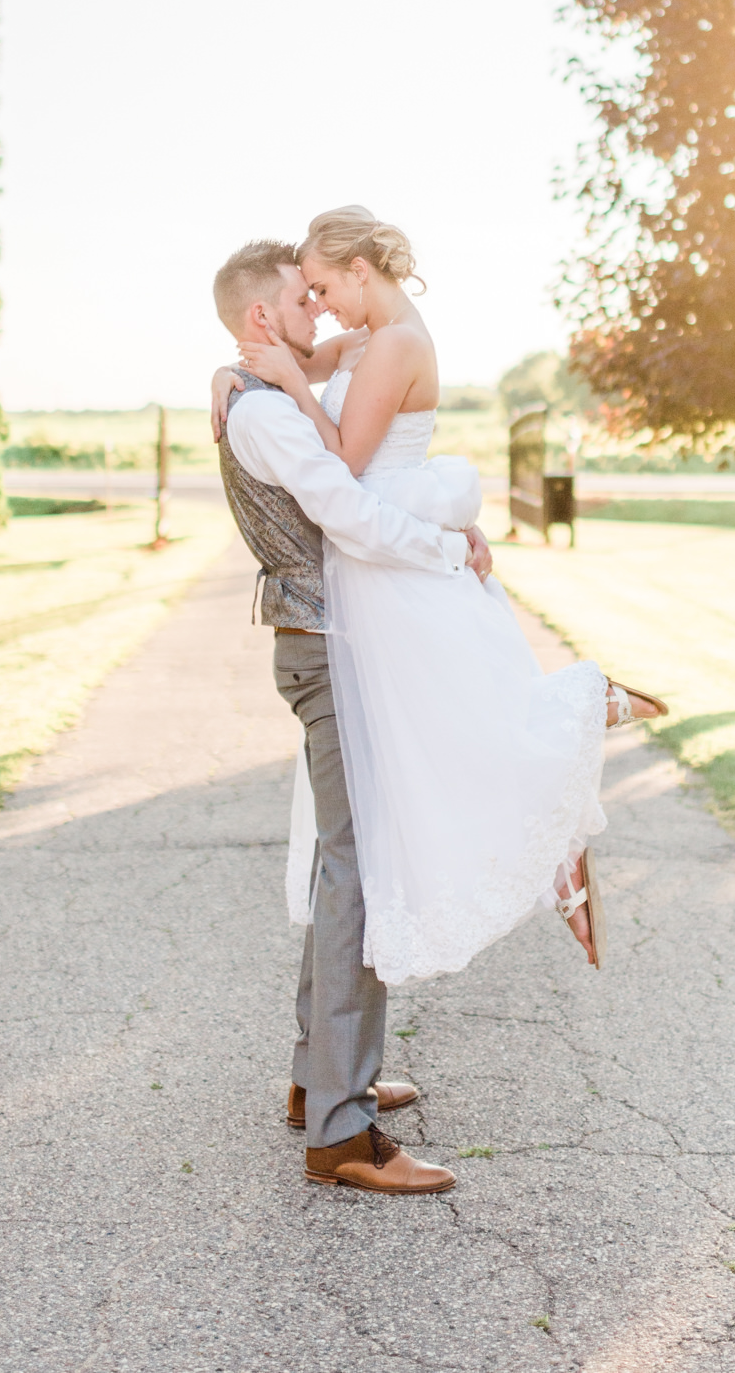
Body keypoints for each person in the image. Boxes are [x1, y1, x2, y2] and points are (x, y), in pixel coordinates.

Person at [214, 207, 666, 997]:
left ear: (361, 268)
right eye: (307, 292)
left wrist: (285, 380)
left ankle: (577, 740)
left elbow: (346, 461)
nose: (319, 304)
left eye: (323, 286)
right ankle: (560, 844)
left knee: (447, 742)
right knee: (435, 748)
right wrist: (234, 374)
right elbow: (297, 357)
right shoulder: (363, 339)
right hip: (381, 551)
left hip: (386, 553)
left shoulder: (396, 343)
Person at [211, 238, 496, 1197]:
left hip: (332, 641)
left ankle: (322, 1083)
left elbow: (339, 428)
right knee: (357, 871)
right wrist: (452, 550)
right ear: (263, 318)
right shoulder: (271, 418)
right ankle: (341, 1131)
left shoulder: (257, 394)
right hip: (328, 649)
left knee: (349, 864)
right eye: (301, 297)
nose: (317, 312)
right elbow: (353, 514)